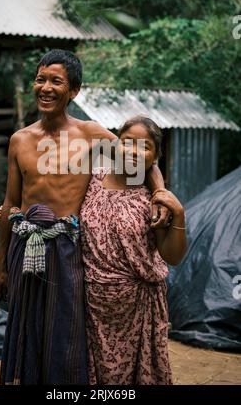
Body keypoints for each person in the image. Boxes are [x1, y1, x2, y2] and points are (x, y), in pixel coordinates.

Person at [0, 49, 170, 385]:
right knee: (25, 331)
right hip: (24, 246)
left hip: (68, 250)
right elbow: (10, 202)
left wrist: (160, 194)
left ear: (73, 91)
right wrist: (1, 268)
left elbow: (142, 161)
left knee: (65, 333)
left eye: (55, 81)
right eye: (40, 79)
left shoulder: (90, 133)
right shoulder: (19, 140)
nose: (45, 87)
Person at [80, 115, 186, 385]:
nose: (134, 151)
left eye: (145, 146)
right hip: (93, 307)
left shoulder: (154, 200)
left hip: (139, 310)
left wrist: (179, 215)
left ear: (155, 156)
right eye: (127, 142)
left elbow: (172, 256)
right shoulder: (91, 179)